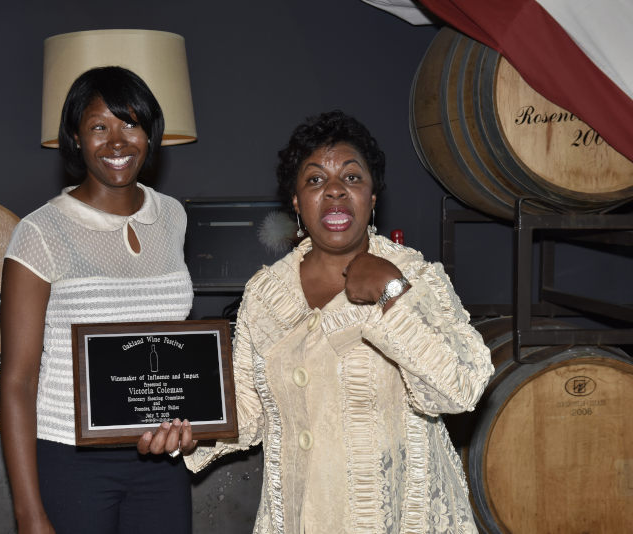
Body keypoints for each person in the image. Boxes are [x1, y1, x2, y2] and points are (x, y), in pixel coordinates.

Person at [140, 110, 494, 533]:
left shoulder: (412, 274)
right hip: (298, 516)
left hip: (395, 519)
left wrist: (391, 293)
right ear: (296, 201)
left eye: (352, 177)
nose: (334, 190)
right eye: (315, 180)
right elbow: (249, 413)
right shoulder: (266, 293)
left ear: (373, 197)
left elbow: (461, 388)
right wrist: (189, 430)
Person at [0, 66, 194, 534]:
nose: (117, 141)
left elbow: (173, 347)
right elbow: (18, 381)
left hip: (161, 461)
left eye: (130, 123)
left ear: (150, 132)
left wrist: (191, 423)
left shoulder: (172, 216)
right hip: (71, 461)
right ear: (75, 137)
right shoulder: (39, 232)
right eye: (99, 127)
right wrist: (29, 514)